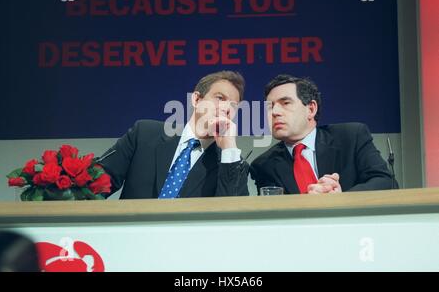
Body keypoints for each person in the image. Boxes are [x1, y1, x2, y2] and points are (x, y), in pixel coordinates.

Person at [100, 71, 249, 199]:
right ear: (196, 99)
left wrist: (229, 148)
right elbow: (93, 185)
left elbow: (233, 217)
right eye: (220, 98)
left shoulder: (231, 164)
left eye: (233, 105)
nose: (226, 108)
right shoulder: (144, 135)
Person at [250, 74, 397, 195]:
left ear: (311, 109)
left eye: (285, 103)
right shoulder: (264, 166)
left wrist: (341, 199)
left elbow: (387, 182)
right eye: (270, 107)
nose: (274, 112)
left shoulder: (351, 137)